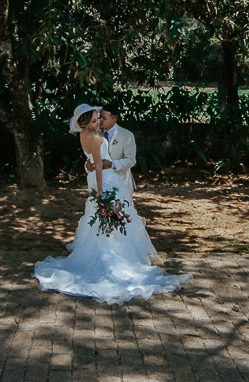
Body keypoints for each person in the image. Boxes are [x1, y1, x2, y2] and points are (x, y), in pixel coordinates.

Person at [33, 104, 191, 305]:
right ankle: (112, 255)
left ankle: (110, 249)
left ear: (112, 120)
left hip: (114, 177)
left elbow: (128, 159)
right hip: (104, 180)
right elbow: (96, 163)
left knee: (109, 215)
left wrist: (102, 165)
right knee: (108, 215)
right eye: (96, 119)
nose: (100, 121)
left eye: (101, 118)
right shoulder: (96, 137)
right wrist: (100, 188)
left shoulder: (104, 134)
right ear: (88, 123)